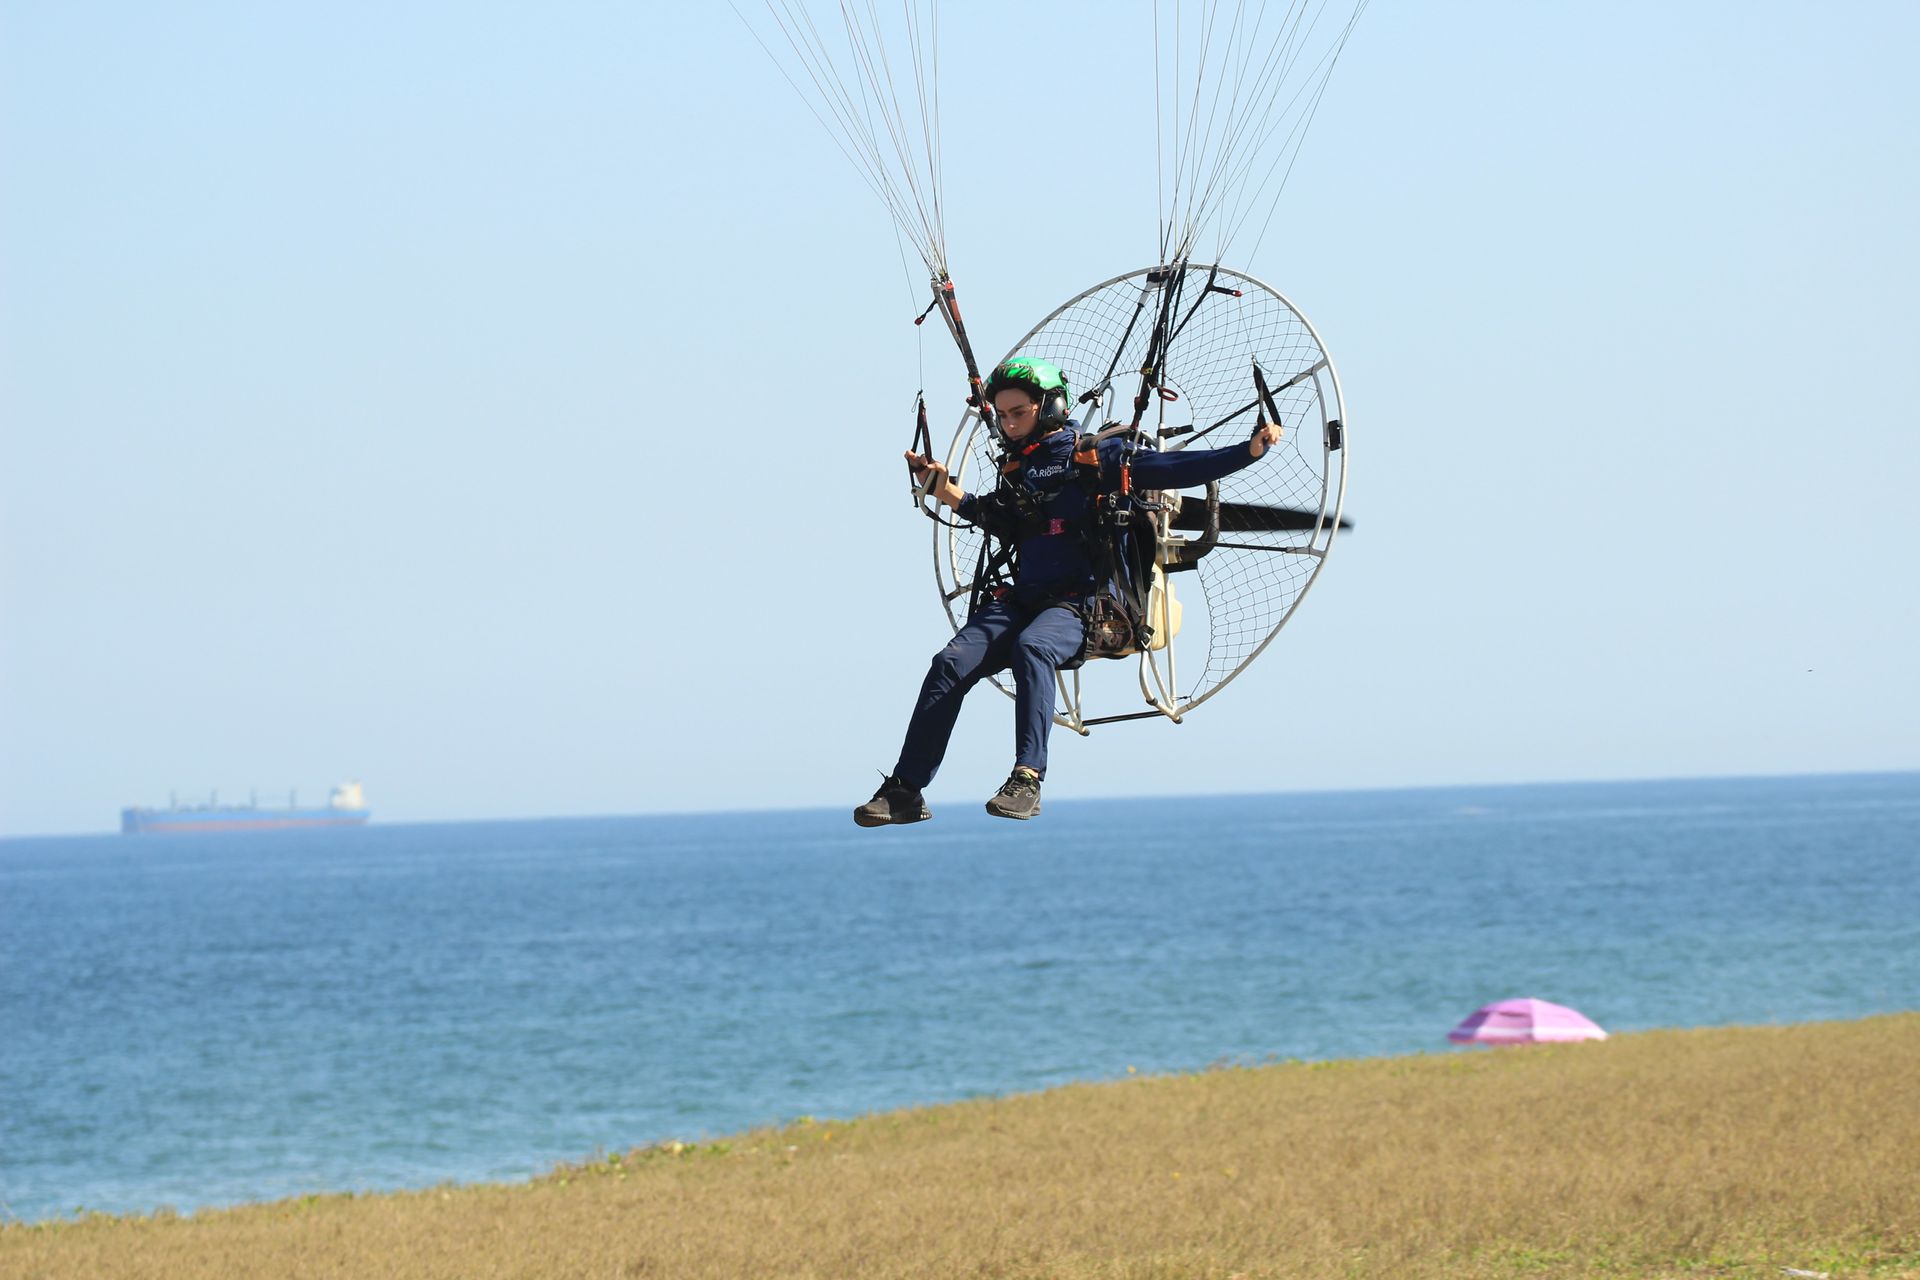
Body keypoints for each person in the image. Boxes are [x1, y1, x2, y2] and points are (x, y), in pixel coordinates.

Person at [855, 357, 1283, 825]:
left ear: (1050, 407)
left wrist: (1248, 451)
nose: (1009, 424)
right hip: (1026, 599)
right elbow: (1002, 520)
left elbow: (1175, 467)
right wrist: (942, 489)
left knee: (1033, 647)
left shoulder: (1100, 456)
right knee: (949, 662)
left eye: (1019, 413)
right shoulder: (1018, 465)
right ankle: (906, 790)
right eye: (1003, 415)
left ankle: (1027, 778)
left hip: (1089, 605)